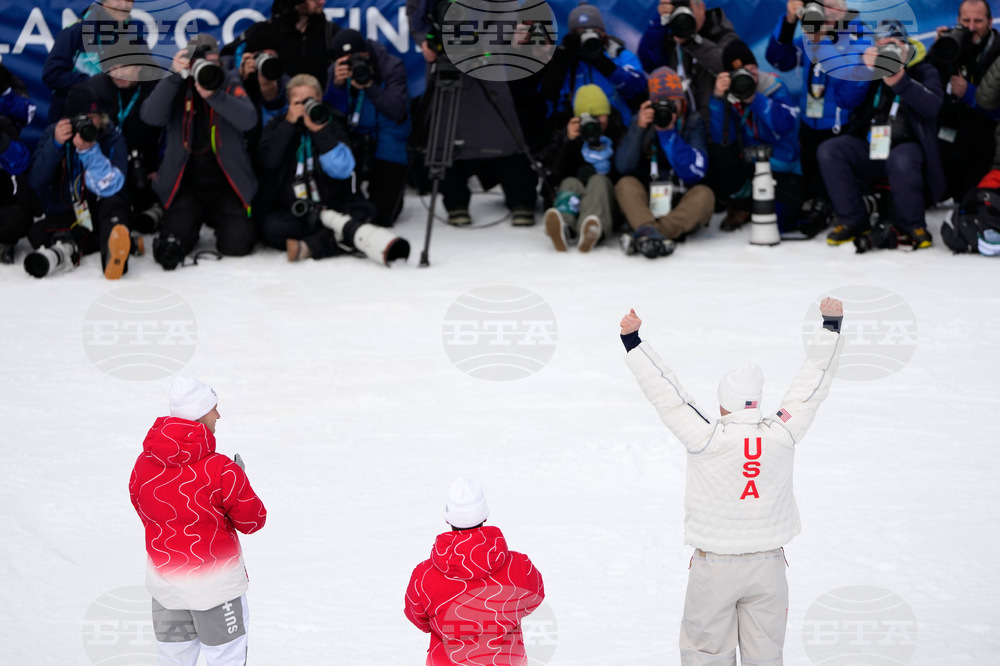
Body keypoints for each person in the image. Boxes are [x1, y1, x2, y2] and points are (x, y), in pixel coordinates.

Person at [619, 296, 845, 665]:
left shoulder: (707, 437)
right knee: (765, 656)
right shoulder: (781, 433)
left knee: (706, 655)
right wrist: (831, 328)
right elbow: (810, 388)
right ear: (756, 402)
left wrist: (634, 343)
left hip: (715, 568)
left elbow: (670, 397)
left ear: (724, 404)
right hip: (769, 566)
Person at [130, 375, 266, 666]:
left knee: (172, 661)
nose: (218, 414)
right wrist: (240, 482)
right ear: (200, 414)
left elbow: (144, 510)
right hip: (217, 592)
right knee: (226, 660)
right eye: (213, 408)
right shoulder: (221, 470)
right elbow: (253, 521)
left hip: (167, 591)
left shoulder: (143, 465)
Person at [407, 0, 539, 227]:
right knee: (445, 131)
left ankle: (521, 200)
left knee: (505, 130)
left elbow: (507, 12)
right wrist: (424, 41)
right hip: (443, 61)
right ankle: (455, 202)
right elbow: (415, 12)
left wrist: (483, 45)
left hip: (485, 61)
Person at [819, 21, 944, 249]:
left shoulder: (924, 69)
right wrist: (864, 69)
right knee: (831, 150)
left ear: (906, 46)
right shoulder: (869, 69)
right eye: (883, 45)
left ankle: (912, 225)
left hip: (907, 148)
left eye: (894, 45)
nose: (889, 51)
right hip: (870, 146)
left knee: (903, 157)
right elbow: (844, 100)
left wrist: (901, 81)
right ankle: (853, 220)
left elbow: (932, 105)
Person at [140, 35, 258, 269]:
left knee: (238, 245)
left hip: (226, 184)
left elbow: (249, 120)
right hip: (186, 185)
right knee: (175, 243)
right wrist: (175, 76)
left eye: (211, 62)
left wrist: (215, 95)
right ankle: (183, 219)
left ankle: (220, 220)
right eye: (201, 63)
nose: (207, 68)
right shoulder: (177, 84)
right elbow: (150, 116)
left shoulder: (228, 80)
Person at [404, 478, 545, 666]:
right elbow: (534, 599)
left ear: (448, 519)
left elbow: (418, 617)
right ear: (484, 516)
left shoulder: (424, 576)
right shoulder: (519, 566)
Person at [765, 0, 869, 236]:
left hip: (841, 129)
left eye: (833, 5)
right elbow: (779, 60)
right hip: (808, 126)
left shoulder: (859, 35)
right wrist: (789, 22)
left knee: (829, 172)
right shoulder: (810, 37)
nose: (827, 12)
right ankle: (814, 202)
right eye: (822, 6)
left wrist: (821, 42)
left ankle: (828, 205)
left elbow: (850, 91)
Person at [26, 83, 131, 279]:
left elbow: (113, 185)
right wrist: (55, 145)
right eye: (84, 119)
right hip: (68, 214)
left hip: (100, 211)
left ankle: (113, 256)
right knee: (36, 233)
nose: (90, 124)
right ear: (69, 120)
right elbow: (35, 182)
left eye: (94, 117)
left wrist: (90, 151)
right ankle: (96, 241)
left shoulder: (112, 136)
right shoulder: (54, 133)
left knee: (114, 207)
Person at [255, 73, 358, 261]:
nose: (305, 106)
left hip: (332, 206)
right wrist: (289, 124)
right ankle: (332, 239)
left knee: (367, 212)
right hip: (293, 210)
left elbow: (343, 169)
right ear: (289, 103)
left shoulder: (333, 122)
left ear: (319, 98)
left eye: (310, 100)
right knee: (271, 227)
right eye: (298, 102)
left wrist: (321, 132)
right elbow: (269, 161)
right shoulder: (277, 124)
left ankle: (309, 246)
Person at [614, 66, 715, 257]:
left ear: (682, 102)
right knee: (625, 185)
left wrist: (669, 135)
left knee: (705, 195)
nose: (666, 107)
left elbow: (695, 172)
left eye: (672, 102)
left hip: (679, 198)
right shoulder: (642, 122)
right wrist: (638, 129)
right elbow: (623, 166)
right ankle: (656, 233)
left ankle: (647, 233)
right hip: (647, 201)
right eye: (661, 102)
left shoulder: (692, 122)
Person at [709, 40, 804, 234]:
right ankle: (742, 202)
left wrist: (754, 99)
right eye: (741, 72)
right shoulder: (729, 96)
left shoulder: (773, 87)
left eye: (751, 69)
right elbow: (722, 138)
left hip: (781, 166)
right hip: (748, 164)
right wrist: (718, 100)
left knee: (778, 223)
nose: (748, 76)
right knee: (719, 153)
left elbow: (785, 125)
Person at [323, 29, 411, 227]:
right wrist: (337, 85)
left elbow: (396, 111)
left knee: (384, 215)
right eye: (348, 61)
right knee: (340, 204)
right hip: (353, 136)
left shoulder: (390, 65)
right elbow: (333, 116)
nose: (354, 65)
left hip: (387, 135)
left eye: (359, 58)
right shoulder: (336, 70)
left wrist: (369, 85)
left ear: (367, 54)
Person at [931, 0, 1000, 202]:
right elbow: (930, 88)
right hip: (949, 142)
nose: (971, 27)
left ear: (990, 21)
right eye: (966, 20)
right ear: (957, 20)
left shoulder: (997, 51)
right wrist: (938, 52)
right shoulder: (952, 43)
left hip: (986, 147)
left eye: (978, 21)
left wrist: (970, 95)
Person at [88, 53, 164, 237]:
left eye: (125, 67)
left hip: (146, 165)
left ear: (138, 66)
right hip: (111, 163)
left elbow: (170, 131)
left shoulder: (156, 87)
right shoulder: (97, 87)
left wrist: (161, 167)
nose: (119, 74)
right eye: (113, 68)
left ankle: (154, 211)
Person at [542, 84, 624, 252]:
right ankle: (564, 226)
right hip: (577, 194)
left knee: (598, 181)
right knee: (570, 182)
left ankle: (593, 229)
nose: (595, 123)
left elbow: (626, 169)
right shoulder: (571, 135)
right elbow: (552, 171)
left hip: (606, 200)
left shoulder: (618, 133)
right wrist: (567, 140)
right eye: (589, 117)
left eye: (600, 115)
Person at [543, 2, 647, 126]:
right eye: (581, 34)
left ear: (603, 32)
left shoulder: (620, 56)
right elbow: (549, 97)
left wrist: (602, 61)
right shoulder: (569, 64)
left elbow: (637, 88)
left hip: (620, 130)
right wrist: (563, 58)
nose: (587, 38)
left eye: (592, 32)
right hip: (578, 132)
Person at [637, 0, 739, 125]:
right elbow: (649, 63)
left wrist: (691, 42)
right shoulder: (668, 32)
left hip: (714, 123)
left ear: (701, 7)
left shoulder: (718, 27)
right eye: (677, 8)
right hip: (678, 122)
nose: (683, 15)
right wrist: (658, 21)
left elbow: (731, 63)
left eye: (688, 8)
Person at [42, 0, 135, 123]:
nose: (124, 5)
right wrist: (96, 83)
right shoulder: (75, 32)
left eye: (129, 0)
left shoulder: (132, 36)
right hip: (72, 126)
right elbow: (52, 75)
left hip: (113, 127)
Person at [0, 61, 39, 264]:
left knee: (18, 217)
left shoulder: (10, 81)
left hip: (6, 165)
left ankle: (4, 243)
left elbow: (27, 113)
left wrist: (5, 91)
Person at [269, 0, 339, 88]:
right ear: (296, 4)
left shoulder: (330, 32)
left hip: (320, 99)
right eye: (315, 0)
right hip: (283, 99)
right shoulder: (269, 32)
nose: (322, 2)